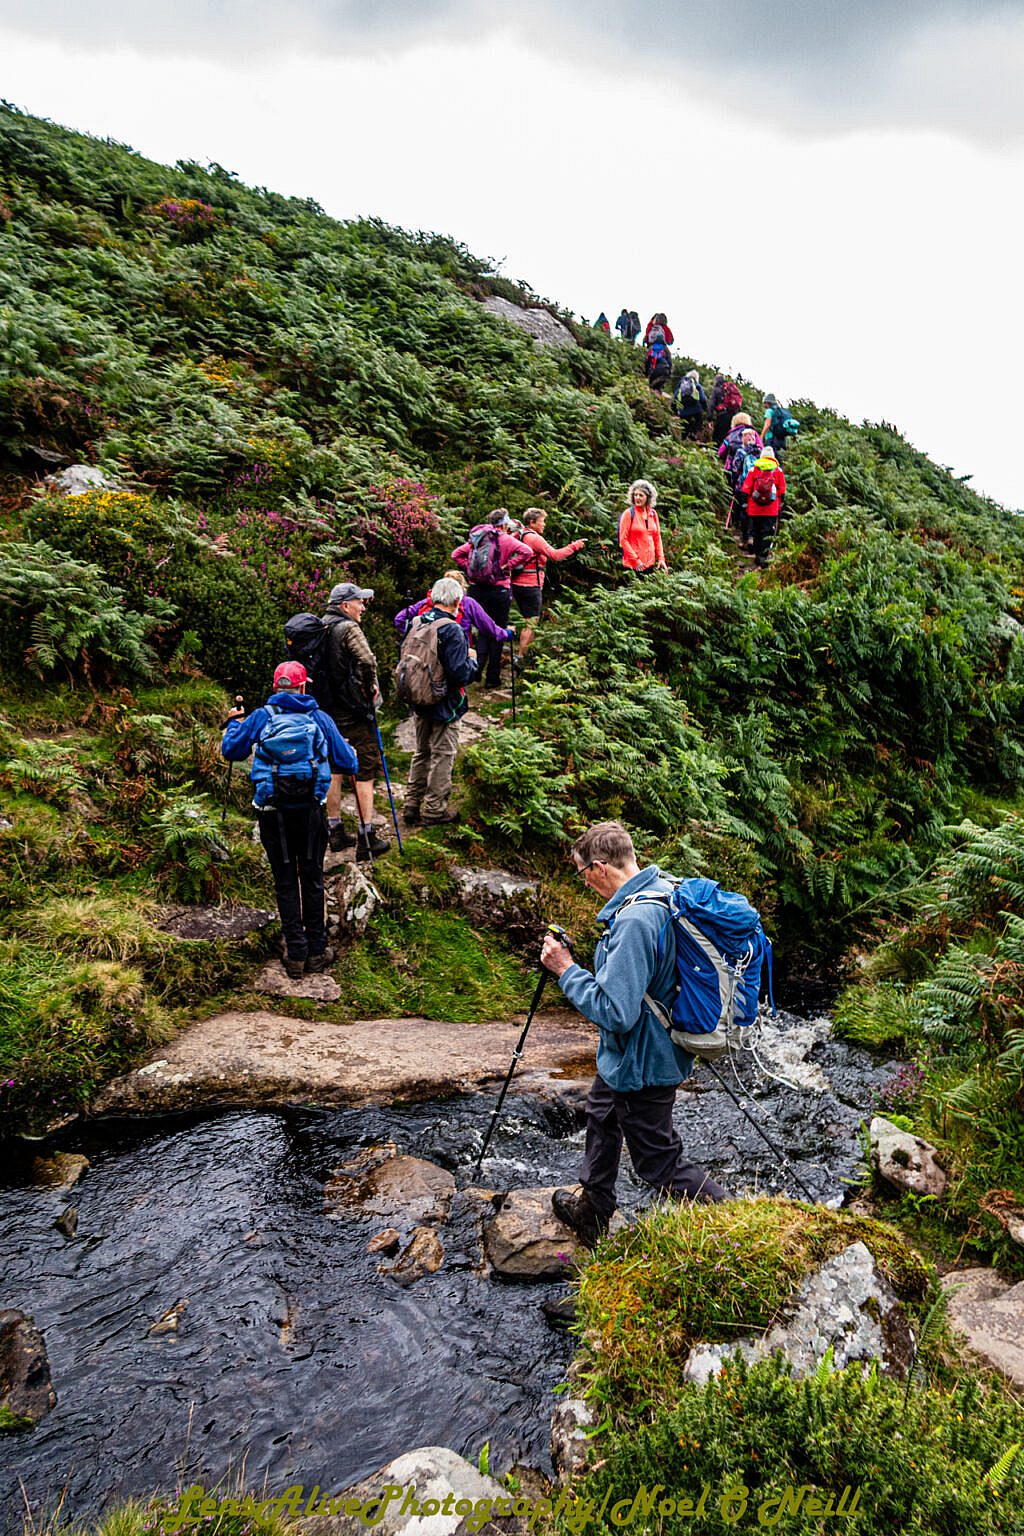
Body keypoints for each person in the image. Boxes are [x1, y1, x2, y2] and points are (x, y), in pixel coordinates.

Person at [540, 821, 727, 1244]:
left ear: (600, 867)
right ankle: (594, 1208)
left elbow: (615, 1011)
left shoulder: (636, 921)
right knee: (602, 1115)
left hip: (644, 1061)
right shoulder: (663, 889)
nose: (584, 882)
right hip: (633, 1054)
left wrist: (565, 970)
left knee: (659, 1164)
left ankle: (735, 1222)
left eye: (583, 873)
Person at [221, 662, 358, 979]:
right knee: (311, 875)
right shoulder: (319, 718)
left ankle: (294, 953)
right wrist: (345, 747)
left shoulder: (260, 717)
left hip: (273, 811)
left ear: (275, 687)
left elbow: (231, 750)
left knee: (285, 878)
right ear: (303, 687)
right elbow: (347, 762)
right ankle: (317, 950)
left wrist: (233, 724)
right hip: (311, 810)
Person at [401, 576, 480, 827]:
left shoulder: (415, 622)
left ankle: (411, 804)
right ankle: (435, 810)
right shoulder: (452, 629)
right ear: (457, 601)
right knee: (443, 754)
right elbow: (459, 674)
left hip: (418, 697)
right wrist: (472, 661)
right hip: (444, 703)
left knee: (421, 752)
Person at [320, 580, 390, 862]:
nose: (363, 606)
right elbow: (368, 660)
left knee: (333, 767)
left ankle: (334, 830)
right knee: (364, 769)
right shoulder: (349, 628)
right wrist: (369, 693)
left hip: (327, 711)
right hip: (352, 712)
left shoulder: (320, 625)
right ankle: (366, 836)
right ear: (345, 605)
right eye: (359, 602)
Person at [451, 510, 533, 689]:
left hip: (477, 589)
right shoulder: (506, 539)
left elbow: (456, 555)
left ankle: (476, 670)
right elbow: (527, 552)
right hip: (499, 590)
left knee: (482, 629)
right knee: (498, 631)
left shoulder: (478, 537)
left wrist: (472, 569)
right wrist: (507, 566)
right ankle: (492, 678)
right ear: (504, 524)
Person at [510, 509, 585, 664]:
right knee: (531, 622)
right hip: (531, 584)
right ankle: (520, 658)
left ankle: (523, 655)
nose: (544, 524)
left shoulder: (517, 535)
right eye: (542, 521)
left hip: (515, 583)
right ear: (532, 522)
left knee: (526, 620)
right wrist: (575, 546)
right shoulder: (534, 538)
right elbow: (556, 555)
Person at [394, 570, 513, 657]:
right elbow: (488, 627)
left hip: (424, 652)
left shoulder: (428, 601)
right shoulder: (467, 603)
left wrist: (413, 635)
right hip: (456, 653)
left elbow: (399, 619)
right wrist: (506, 634)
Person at [741, 445, 787, 568]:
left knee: (755, 530)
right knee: (767, 532)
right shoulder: (778, 470)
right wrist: (781, 504)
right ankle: (763, 556)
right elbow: (782, 490)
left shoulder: (754, 469)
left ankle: (757, 555)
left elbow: (746, 488)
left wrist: (745, 502)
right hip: (771, 509)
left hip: (754, 508)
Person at [618, 480, 666, 575]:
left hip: (649, 565)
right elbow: (623, 540)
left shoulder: (653, 514)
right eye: (635, 495)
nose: (637, 498)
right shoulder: (628, 514)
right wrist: (636, 561)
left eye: (641, 495)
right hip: (633, 565)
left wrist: (661, 559)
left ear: (648, 497)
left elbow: (657, 537)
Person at [729, 428, 761, 546]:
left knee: (744, 511)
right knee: (754, 511)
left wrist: (734, 483)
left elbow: (735, 469)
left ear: (743, 438)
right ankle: (753, 536)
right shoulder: (759, 452)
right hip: (756, 487)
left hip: (743, 486)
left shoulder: (740, 452)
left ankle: (744, 538)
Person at [761, 394, 798, 461]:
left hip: (771, 439)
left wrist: (761, 437)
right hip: (781, 439)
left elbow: (767, 425)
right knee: (779, 460)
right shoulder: (780, 411)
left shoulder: (769, 411)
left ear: (767, 403)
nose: (763, 405)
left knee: (770, 460)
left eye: (764, 403)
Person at [674, 368, 707, 439]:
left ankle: (683, 439)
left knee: (684, 427)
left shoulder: (681, 384)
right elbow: (703, 399)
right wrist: (704, 408)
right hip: (696, 410)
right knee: (698, 422)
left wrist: (675, 409)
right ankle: (693, 434)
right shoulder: (697, 385)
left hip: (683, 410)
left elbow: (675, 397)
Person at [713, 378, 744, 447]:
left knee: (717, 437)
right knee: (727, 436)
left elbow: (711, 404)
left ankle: (716, 454)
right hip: (732, 417)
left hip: (722, 415)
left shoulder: (717, 389)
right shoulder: (731, 389)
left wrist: (709, 418)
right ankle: (726, 453)